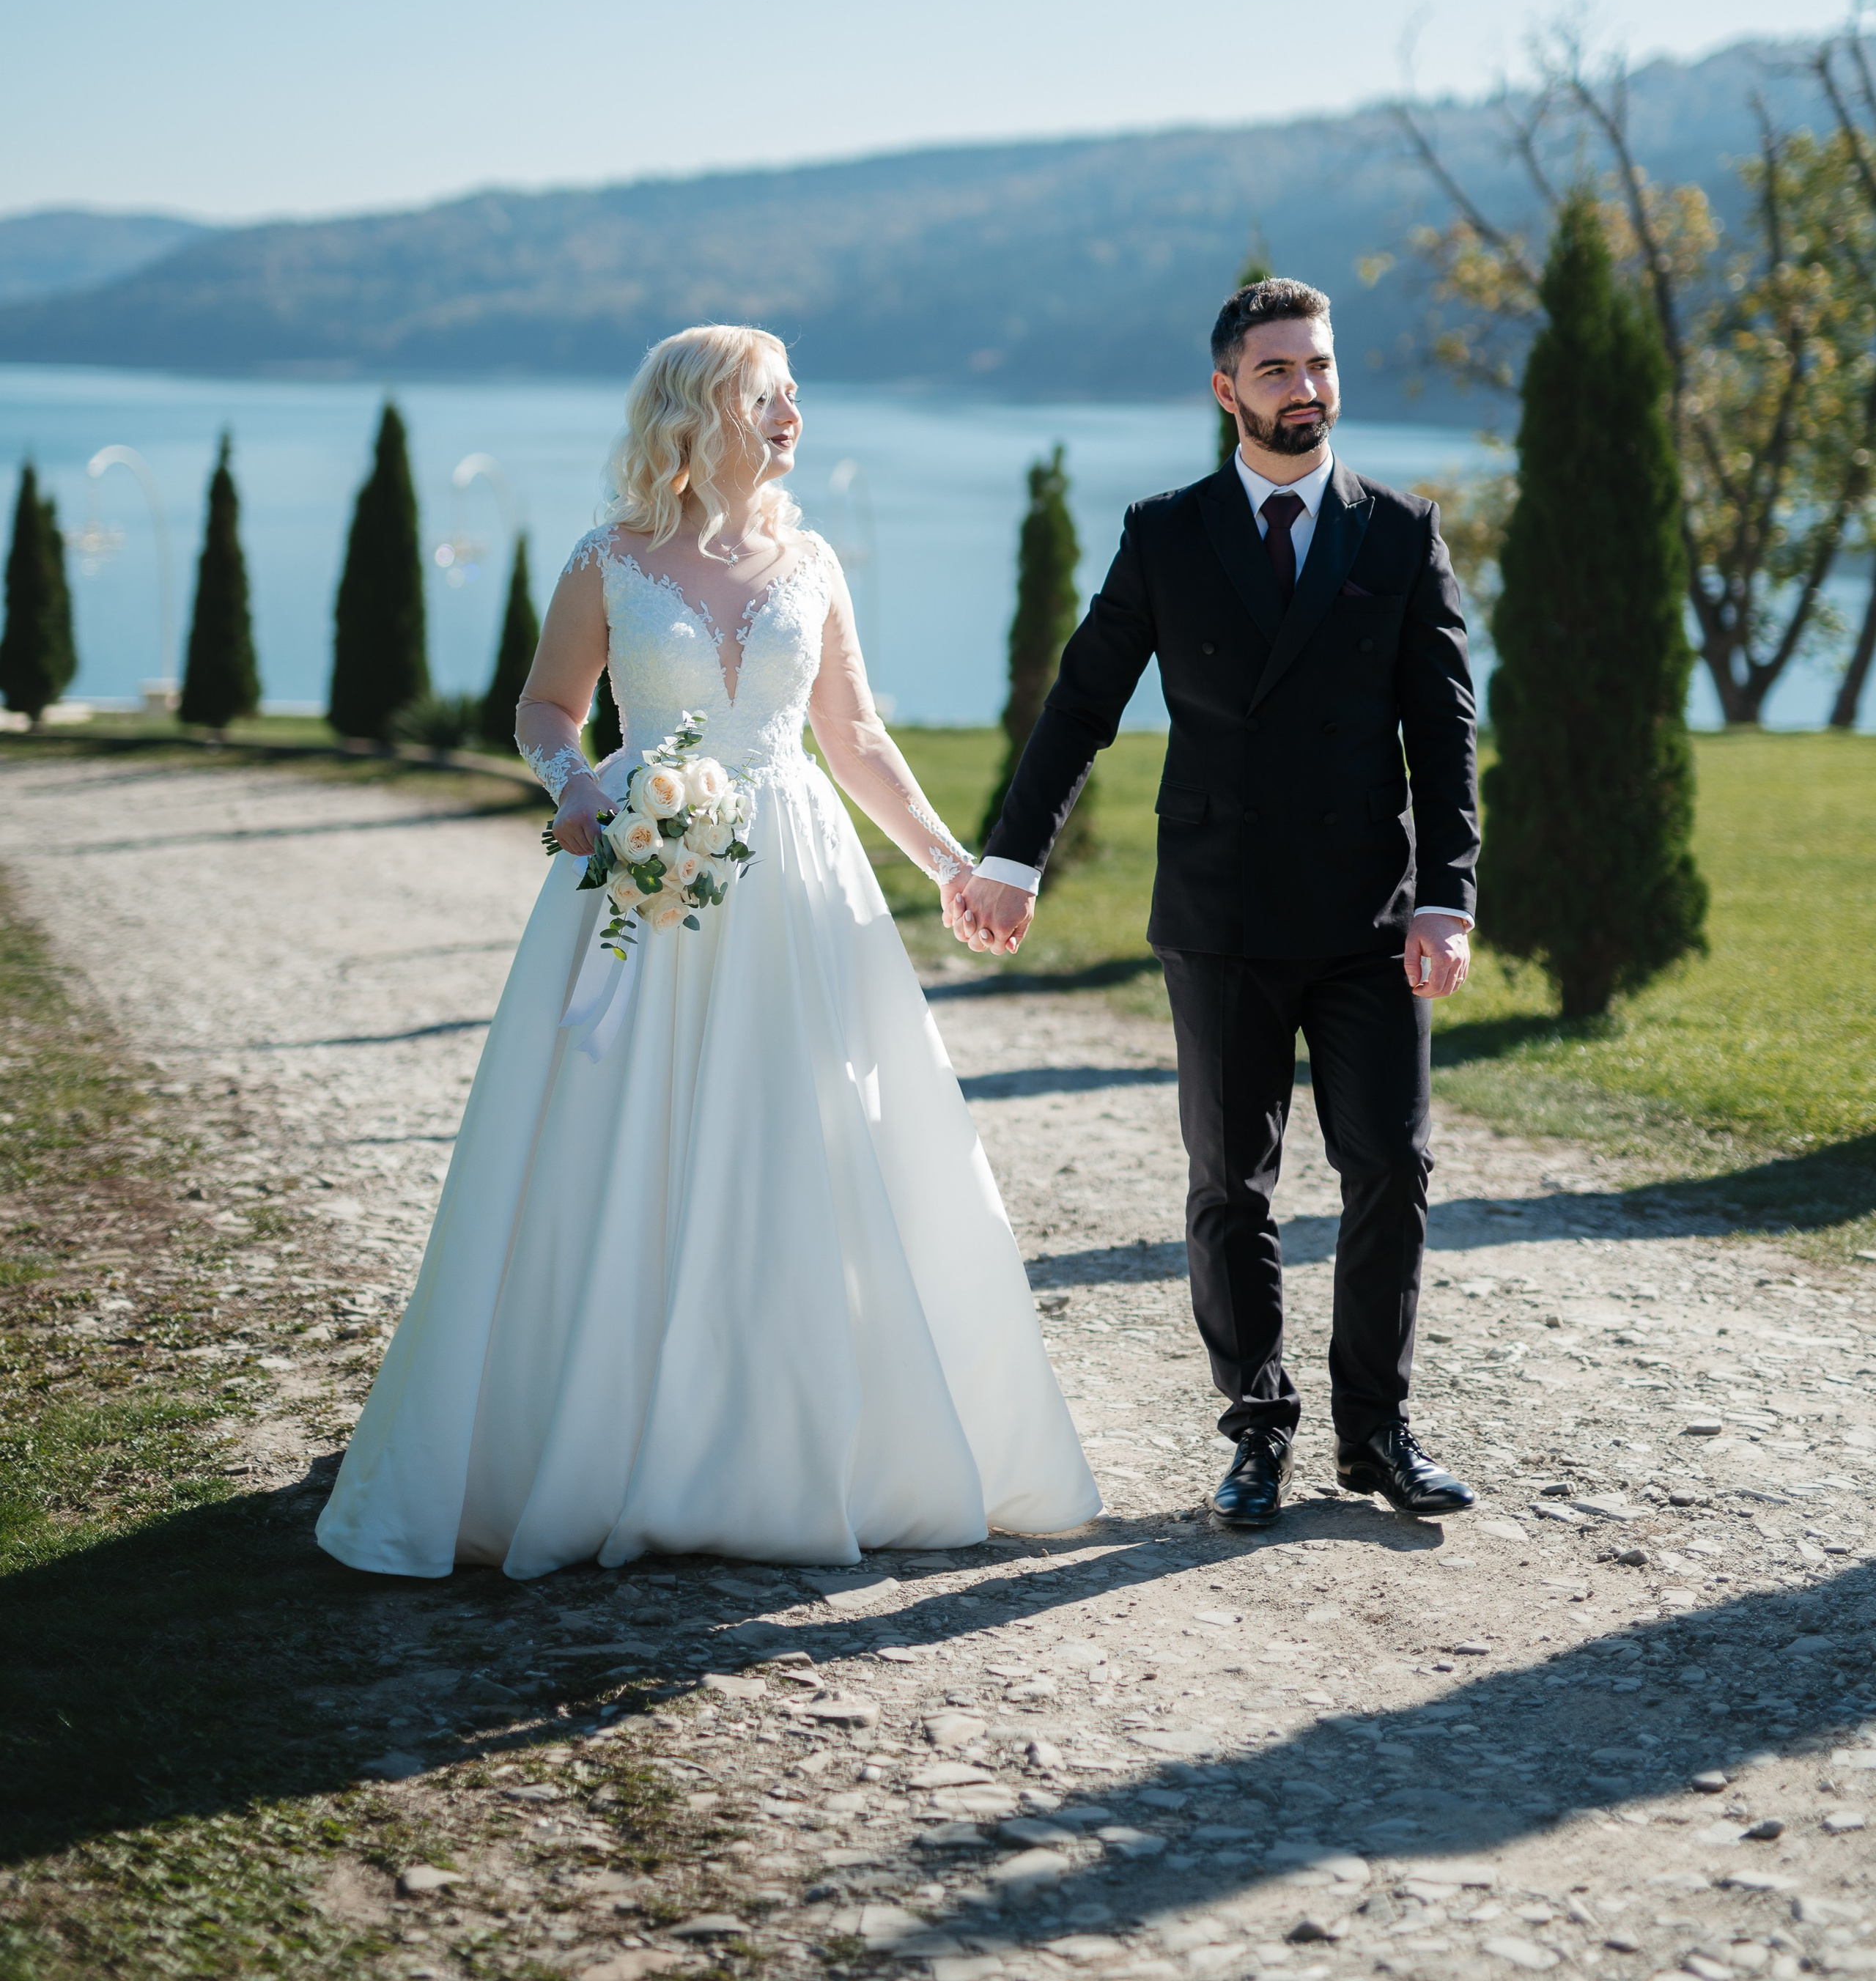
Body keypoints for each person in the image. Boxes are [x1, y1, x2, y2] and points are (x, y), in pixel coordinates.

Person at [318, 325, 1097, 1578]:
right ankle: (606, 1434)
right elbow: (544, 706)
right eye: (765, 396)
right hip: (646, 880)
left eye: (795, 394)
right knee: (627, 1143)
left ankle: (805, 1442)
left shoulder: (815, 559)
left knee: (814, 1137)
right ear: (697, 415)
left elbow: (855, 741)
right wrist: (573, 784)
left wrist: (953, 864)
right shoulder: (610, 558)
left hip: (796, 879)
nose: (792, 414)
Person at [950, 277, 1480, 1530]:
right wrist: (1015, 860)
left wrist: (1447, 897)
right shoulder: (1167, 534)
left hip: (1369, 910)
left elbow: (1444, 732)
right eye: (1280, 370)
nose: (1307, 389)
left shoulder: (1402, 533)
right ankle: (1257, 1429)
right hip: (1220, 910)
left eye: (1321, 366)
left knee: (1391, 1166)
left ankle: (1375, 1429)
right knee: (1229, 1184)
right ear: (1226, 390)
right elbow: (1084, 704)